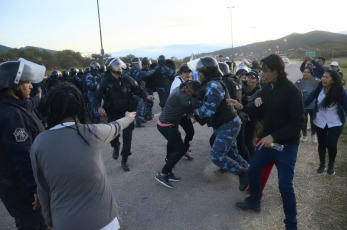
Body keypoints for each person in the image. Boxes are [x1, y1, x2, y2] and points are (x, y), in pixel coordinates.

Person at [30, 82, 136, 230]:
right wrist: (129, 117)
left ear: (50, 108)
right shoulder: (93, 132)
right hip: (106, 222)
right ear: (80, 107)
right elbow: (116, 126)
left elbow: (42, 188)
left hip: (65, 223)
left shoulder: (39, 143)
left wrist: (48, 219)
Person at [230, 54, 305, 230]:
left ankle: (291, 224)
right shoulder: (267, 88)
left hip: (285, 145)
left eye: (265, 70)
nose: (262, 74)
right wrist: (242, 107)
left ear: (277, 71)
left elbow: (298, 123)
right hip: (268, 143)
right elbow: (259, 112)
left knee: (285, 184)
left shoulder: (292, 91)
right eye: (261, 70)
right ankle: (254, 201)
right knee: (254, 170)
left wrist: (274, 136)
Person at [188, 56, 249, 191]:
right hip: (226, 124)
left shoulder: (213, 86)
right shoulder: (212, 83)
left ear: (206, 73)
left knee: (216, 156)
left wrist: (194, 110)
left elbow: (208, 111)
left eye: (200, 72)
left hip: (227, 125)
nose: (198, 75)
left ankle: (242, 173)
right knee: (232, 153)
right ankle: (252, 172)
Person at [0, 58, 47, 230]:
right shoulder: (10, 115)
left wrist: (38, 98)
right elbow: (23, 156)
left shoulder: (13, 106)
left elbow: (29, 103)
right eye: (27, 82)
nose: (31, 86)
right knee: (33, 223)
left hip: (17, 184)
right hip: (22, 188)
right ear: (13, 86)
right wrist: (36, 189)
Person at [95, 58, 154, 171]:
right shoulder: (104, 82)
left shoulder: (127, 78)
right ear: (110, 68)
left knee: (128, 138)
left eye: (120, 65)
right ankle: (116, 147)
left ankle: (124, 159)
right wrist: (99, 107)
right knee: (113, 138)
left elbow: (137, 89)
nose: (120, 68)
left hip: (128, 114)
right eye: (116, 66)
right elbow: (96, 97)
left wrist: (146, 95)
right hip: (113, 114)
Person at [155, 81, 201, 188]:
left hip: (170, 124)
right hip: (165, 126)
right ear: (185, 88)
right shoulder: (180, 95)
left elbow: (188, 107)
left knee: (174, 148)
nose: (192, 94)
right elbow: (194, 104)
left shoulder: (181, 92)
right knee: (180, 150)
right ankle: (162, 174)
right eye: (192, 92)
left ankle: (168, 172)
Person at [304, 70, 347, 175]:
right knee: (321, 144)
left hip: (335, 122)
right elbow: (305, 102)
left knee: (331, 144)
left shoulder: (341, 91)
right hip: (320, 121)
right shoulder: (318, 89)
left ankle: (331, 165)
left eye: (327, 77)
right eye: (323, 76)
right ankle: (322, 164)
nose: (323, 79)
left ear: (333, 80)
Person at [170, 65, 194, 160]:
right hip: (174, 114)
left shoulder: (185, 82)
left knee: (190, 132)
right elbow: (184, 100)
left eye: (189, 72)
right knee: (174, 136)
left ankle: (185, 150)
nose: (188, 74)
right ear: (180, 74)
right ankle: (170, 157)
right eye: (185, 72)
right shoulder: (177, 83)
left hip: (183, 112)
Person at [295, 67, 320, 143]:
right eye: (304, 72)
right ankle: (304, 135)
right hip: (303, 105)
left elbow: (322, 89)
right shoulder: (299, 81)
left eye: (308, 72)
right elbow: (293, 91)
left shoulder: (316, 81)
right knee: (303, 121)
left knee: (313, 121)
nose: (305, 73)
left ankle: (313, 135)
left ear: (311, 74)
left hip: (314, 105)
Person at [130, 57, 156, 127]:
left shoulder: (133, 70)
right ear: (136, 64)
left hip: (137, 90)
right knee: (140, 104)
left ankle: (140, 118)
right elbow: (146, 74)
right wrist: (154, 70)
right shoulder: (136, 71)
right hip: (135, 91)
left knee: (143, 103)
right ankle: (138, 121)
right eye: (138, 63)